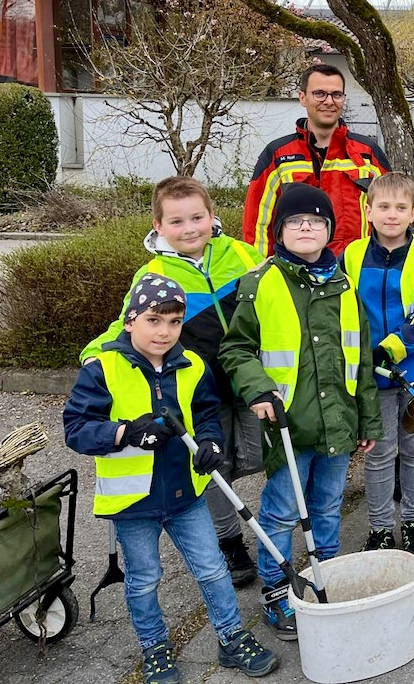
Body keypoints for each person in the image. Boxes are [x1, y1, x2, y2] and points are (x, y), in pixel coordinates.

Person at [64, 276, 278, 684]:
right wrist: (125, 433)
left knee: (213, 569)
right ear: (130, 321)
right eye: (153, 320)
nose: (164, 332)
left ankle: (231, 636)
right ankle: (155, 647)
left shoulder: (192, 364)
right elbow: (76, 429)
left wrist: (211, 442)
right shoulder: (102, 369)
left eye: (175, 321)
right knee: (144, 580)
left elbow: (207, 413)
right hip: (132, 503)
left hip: (186, 494)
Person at [80, 176, 265, 588]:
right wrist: (94, 352)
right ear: (159, 226)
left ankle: (262, 518)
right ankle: (229, 541)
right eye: (177, 221)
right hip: (201, 388)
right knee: (215, 466)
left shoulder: (241, 253)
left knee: (259, 456)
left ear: (212, 216)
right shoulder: (155, 273)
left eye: (197, 218)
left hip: (250, 378)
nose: (190, 229)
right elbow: (128, 324)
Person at [219, 184, 382, 641]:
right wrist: (258, 388)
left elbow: (361, 357)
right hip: (287, 424)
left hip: (338, 423)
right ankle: (277, 588)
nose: (305, 227)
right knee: (282, 511)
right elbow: (236, 349)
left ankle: (325, 578)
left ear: (329, 230)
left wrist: (368, 417)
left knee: (327, 506)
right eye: (294, 221)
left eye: (315, 221)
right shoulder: (260, 282)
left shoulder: (343, 284)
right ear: (279, 231)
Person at [341, 172, 414, 554]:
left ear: (413, 213)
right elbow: (342, 309)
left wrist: (389, 348)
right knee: (380, 451)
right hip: (372, 373)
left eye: (401, 207)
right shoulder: (352, 255)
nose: (392, 214)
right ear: (368, 211)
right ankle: (380, 529)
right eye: (384, 207)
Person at [243, 63, 390, 256]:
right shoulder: (278, 156)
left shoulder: (367, 153)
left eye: (336, 94)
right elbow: (258, 226)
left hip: (356, 269)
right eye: (319, 94)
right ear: (302, 97)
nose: (329, 101)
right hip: (295, 271)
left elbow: (392, 216)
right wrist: (263, 269)